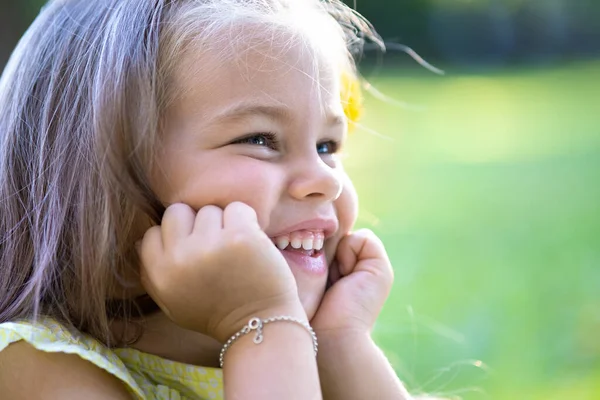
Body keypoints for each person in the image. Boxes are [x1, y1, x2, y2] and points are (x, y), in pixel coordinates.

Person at [0, 0, 412, 398]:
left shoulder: (308, 350)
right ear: (95, 176)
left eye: (326, 146)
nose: (326, 180)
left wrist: (342, 346)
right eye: (260, 139)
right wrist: (260, 323)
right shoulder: (30, 365)